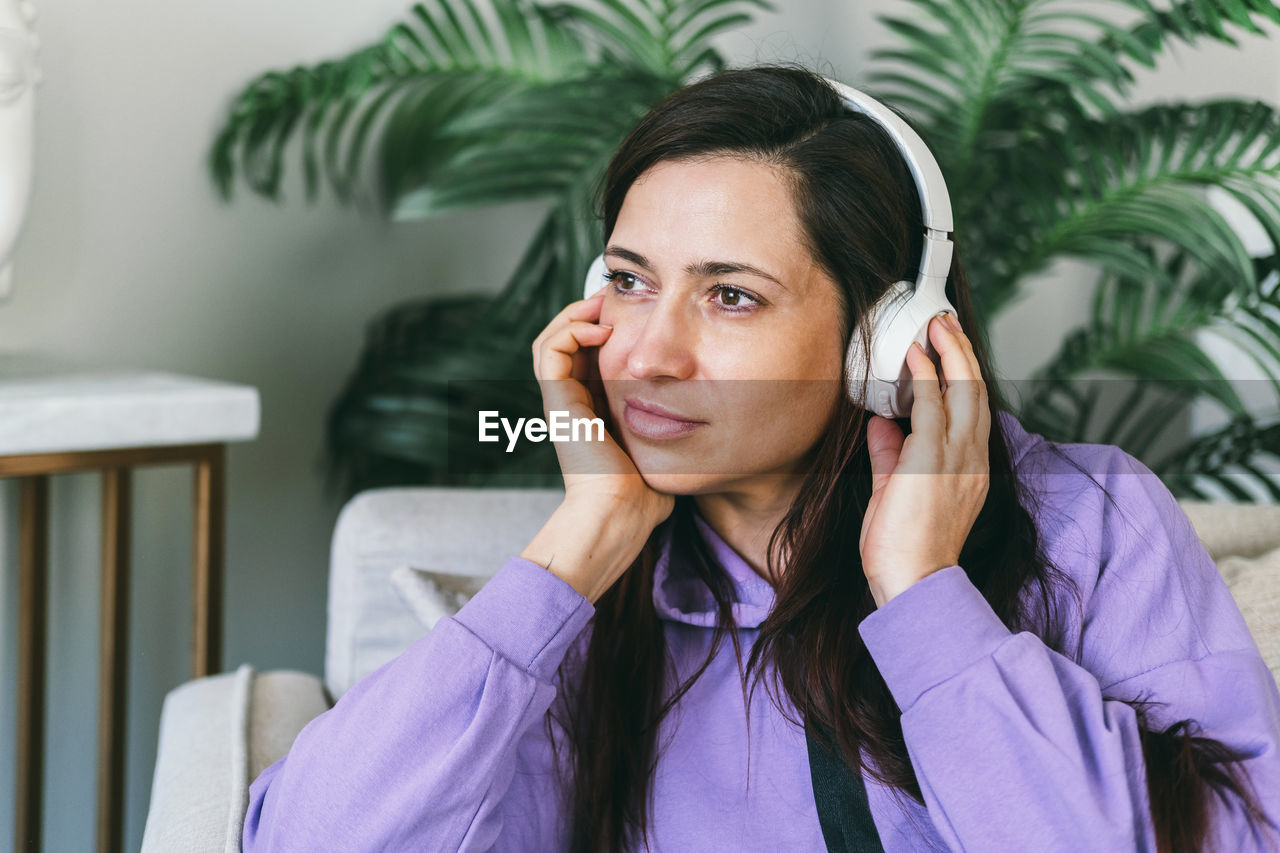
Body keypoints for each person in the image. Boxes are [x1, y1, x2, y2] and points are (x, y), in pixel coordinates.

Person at [241, 63, 1280, 852]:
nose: (647, 354)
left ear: (884, 338)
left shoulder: (1089, 523)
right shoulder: (590, 610)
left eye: (729, 295)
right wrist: (576, 546)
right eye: (630, 281)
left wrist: (925, 598)